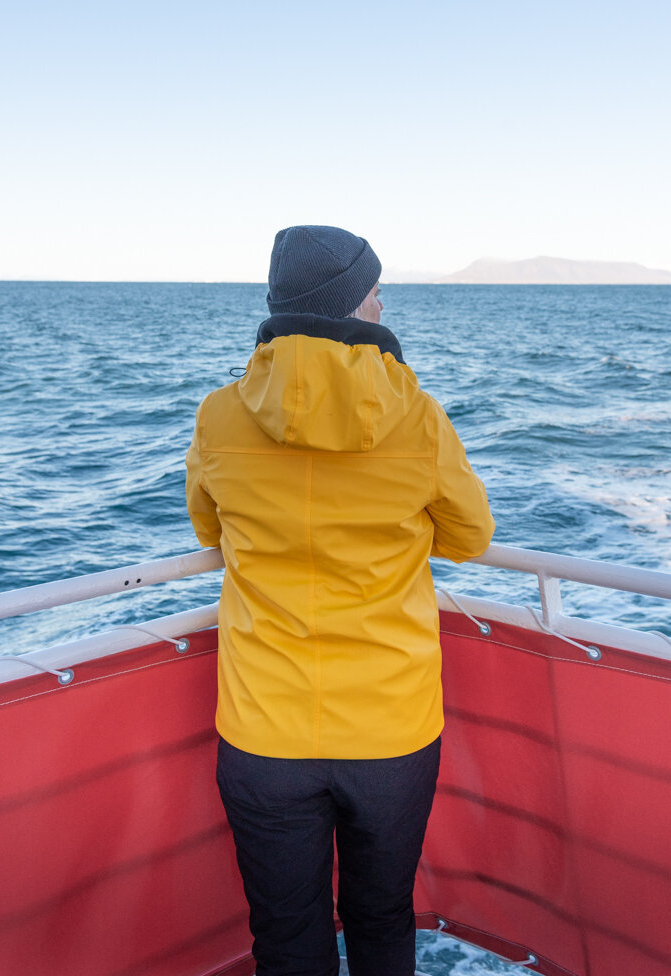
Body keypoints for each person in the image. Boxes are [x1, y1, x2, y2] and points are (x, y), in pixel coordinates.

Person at [186, 225, 495, 976]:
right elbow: (470, 536)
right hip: (390, 726)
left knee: (286, 936)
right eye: (377, 291)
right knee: (381, 917)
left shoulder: (220, 415)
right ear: (354, 307)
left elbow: (208, 528)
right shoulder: (417, 417)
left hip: (263, 730)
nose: (383, 304)